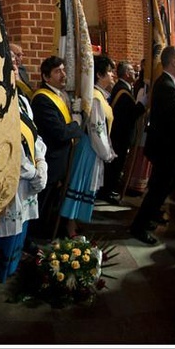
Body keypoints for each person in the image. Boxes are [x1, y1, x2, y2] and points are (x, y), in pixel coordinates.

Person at [0, 50, 48, 290]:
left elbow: (33, 135)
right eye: (6, 66)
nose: (12, 70)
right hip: (3, 178)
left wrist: (41, 162)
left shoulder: (21, 99)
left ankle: (7, 269)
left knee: (18, 227)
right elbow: (3, 147)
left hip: (26, 179)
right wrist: (33, 172)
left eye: (14, 67)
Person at [130, 46, 175, 245]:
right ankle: (138, 227)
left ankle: (148, 218)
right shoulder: (166, 85)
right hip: (166, 149)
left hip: (164, 147)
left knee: (159, 189)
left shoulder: (165, 83)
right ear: (173, 62)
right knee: (157, 189)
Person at [58, 55, 117, 237]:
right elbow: (97, 129)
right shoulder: (97, 98)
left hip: (92, 147)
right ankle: (69, 224)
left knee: (84, 185)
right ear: (99, 74)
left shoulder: (100, 95)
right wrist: (107, 153)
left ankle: (74, 222)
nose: (112, 75)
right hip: (89, 148)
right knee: (80, 183)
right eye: (109, 72)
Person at [29, 55, 83, 240]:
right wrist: (76, 123)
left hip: (61, 160)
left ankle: (49, 234)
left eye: (63, 69)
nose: (63, 74)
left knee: (53, 204)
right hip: (51, 161)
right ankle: (37, 240)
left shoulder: (59, 95)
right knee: (43, 206)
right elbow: (60, 132)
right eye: (57, 71)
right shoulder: (42, 99)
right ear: (46, 77)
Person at [101, 60, 146, 203]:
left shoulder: (122, 88)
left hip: (119, 134)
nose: (135, 73)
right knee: (115, 165)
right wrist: (142, 104)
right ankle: (107, 191)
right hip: (120, 135)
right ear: (127, 73)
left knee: (116, 165)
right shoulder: (123, 91)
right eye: (132, 70)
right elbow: (130, 115)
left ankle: (110, 188)